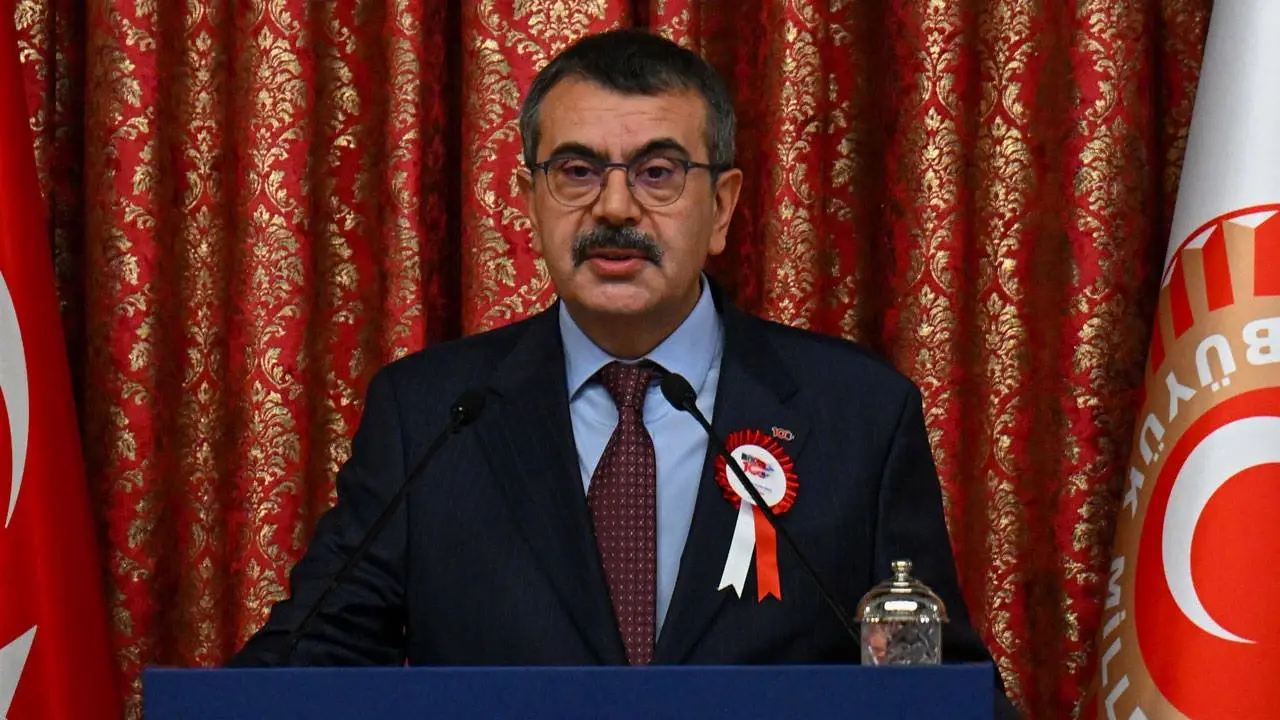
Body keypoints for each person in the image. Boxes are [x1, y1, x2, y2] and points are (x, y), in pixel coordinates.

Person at [231, 28, 1017, 717]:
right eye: (576, 171)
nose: (613, 207)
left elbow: (939, 689)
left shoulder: (857, 415)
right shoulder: (430, 414)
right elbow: (311, 660)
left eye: (658, 171)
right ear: (530, 200)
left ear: (722, 207)